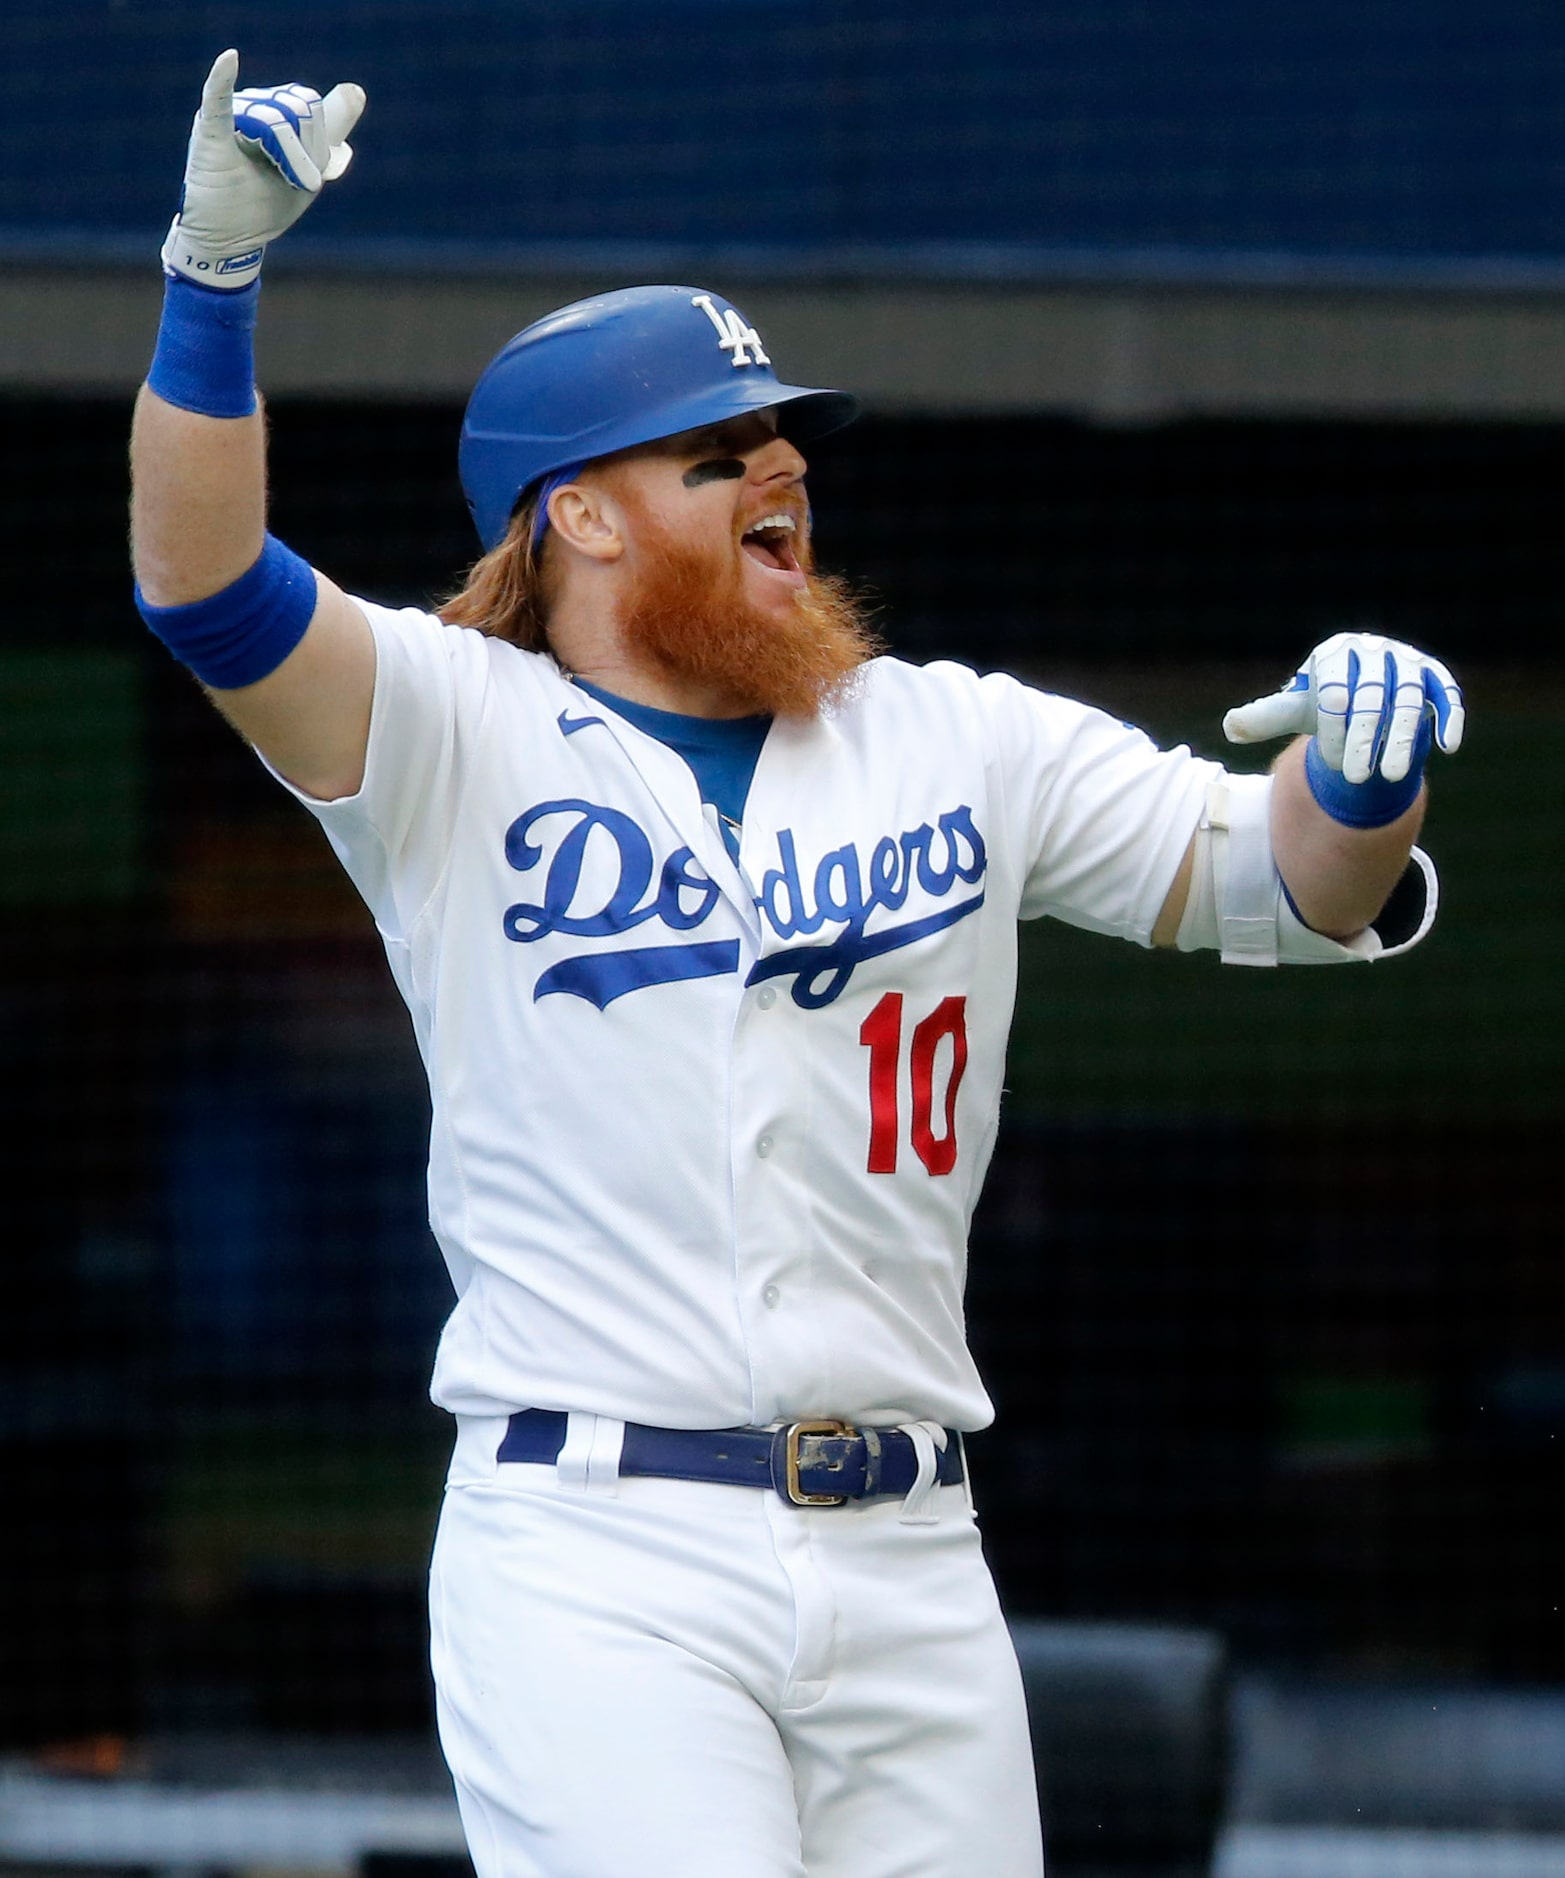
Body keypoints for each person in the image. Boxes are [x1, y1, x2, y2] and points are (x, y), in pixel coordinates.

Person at [130, 53, 1463, 1878]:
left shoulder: (950, 736)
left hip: (911, 1552)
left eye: (781, 445)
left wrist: (1358, 785)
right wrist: (211, 283)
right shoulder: (455, 726)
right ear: (578, 517)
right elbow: (204, 589)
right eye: (714, 451)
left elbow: (1280, 884)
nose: (778, 470)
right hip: (600, 1548)